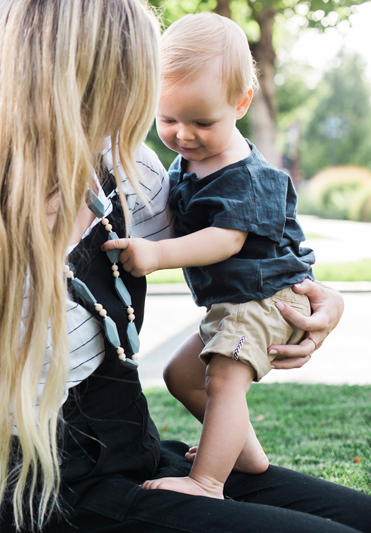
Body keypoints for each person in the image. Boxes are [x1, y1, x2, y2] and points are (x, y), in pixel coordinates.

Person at [0, 1, 368, 532]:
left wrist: (317, 296)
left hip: (145, 462)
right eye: (137, 70)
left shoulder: (129, 171)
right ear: (88, 80)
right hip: (63, 506)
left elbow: (233, 243)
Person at [101, 13, 316, 500]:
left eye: (202, 121)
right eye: (169, 119)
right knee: (182, 376)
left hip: (268, 300)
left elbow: (226, 240)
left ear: (241, 103)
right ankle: (245, 454)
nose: (184, 135)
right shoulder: (187, 165)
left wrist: (157, 254)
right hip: (236, 304)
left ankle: (208, 481)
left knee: (223, 380)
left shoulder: (245, 174)